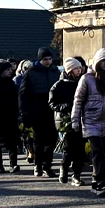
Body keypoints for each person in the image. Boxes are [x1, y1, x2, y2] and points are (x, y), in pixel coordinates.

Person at [73, 48, 105, 196]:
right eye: (103, 61)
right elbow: (78, 101)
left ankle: (96, 181)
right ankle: (100, 182)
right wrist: (75, 120)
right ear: (97, 62)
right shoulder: (87, 79)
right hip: (91, 121)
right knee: (98, 152)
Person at [20, 47, 62, 178]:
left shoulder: (56, 72)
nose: (48, 62)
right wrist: (24, 112)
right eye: (45, 59)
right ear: (40, 60)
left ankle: (47, 165)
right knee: (39, 140)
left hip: (53, 109)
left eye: (50, 59)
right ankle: (38, 165)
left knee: (52, 140)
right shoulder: (31, 73)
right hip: (37, 109)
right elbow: (23, 94)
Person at [50, 58, 87, 186]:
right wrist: (65, 106)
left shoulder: (82, 82)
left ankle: (76, 175)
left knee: (80, 149)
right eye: (77, 68)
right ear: (70, 70)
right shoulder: (59, 85)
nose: (79, 70)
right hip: (66, 121)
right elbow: (52, 103)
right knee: (69, 148)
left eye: (80, 68)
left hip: (81, 119)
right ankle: (64, 168)